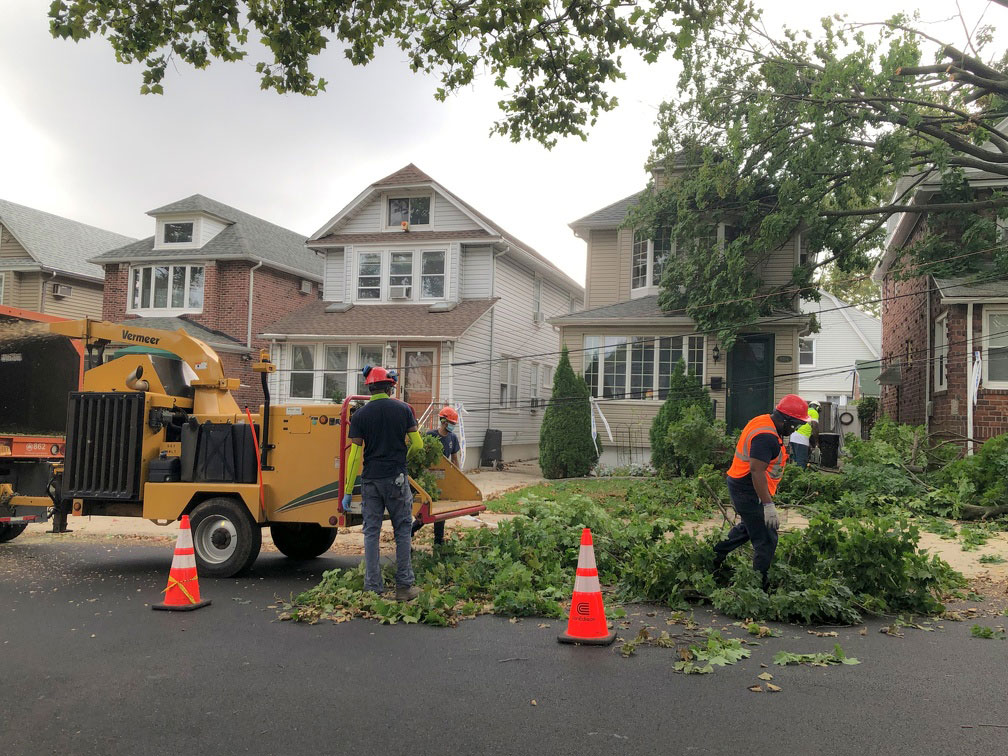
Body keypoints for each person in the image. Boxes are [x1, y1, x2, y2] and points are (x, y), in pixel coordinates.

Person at [713, 394, 810, 593]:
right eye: (795, 425)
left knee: (749, 528)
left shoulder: (764, 421)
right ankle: (758, 588)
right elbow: (756, 471)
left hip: (743, 485)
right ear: (786, 420)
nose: (796, 429)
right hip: (747, 488)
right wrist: (767, 505)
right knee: (766, 537)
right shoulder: (766, 437)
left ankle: (714, 557)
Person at [342, 365, 424, 601]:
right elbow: (417, 445)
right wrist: (401, 461)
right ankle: (404, 587)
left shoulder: (360, 416)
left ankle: (373, 589)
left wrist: (348, 491)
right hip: (396, 479)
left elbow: (355, 456)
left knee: (371, 533)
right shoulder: (404, 410)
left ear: (369, 387)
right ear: (390, 387)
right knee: (402, 530)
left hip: (371, 481)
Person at [411, 406, 462, 543]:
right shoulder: (431, 435)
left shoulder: (453, 438)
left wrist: (458, 477)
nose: (452, 426)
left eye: (454, 424)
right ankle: (411, 530)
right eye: (451, 423)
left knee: (441, 512)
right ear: (443, 421)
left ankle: (438, 541)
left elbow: (454, 459)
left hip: (444, 478)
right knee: (426, 510)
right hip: (429, 478)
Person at [789, 401, 820, 469]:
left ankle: (794, 477)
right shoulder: (814, 412)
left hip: (793, 437)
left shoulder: (804, 411)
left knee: (795, 460)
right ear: (817, 407)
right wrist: (816, 442)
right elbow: (815, 427)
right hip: (801, 438)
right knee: (801, 462)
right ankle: (801, 477)